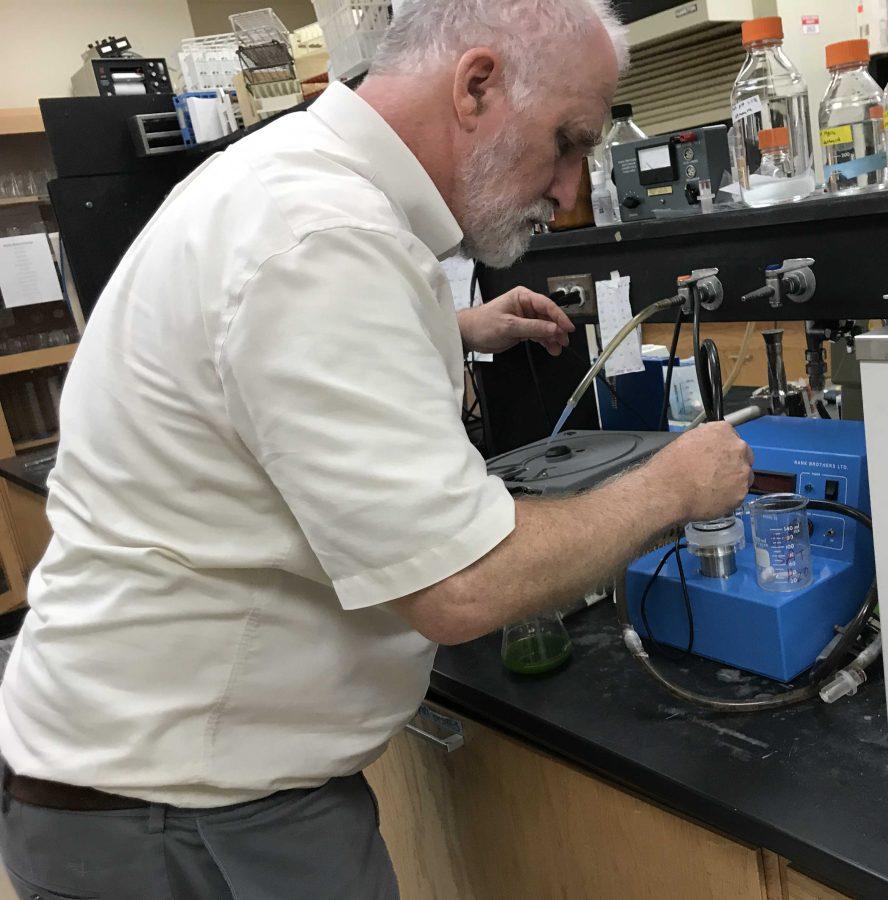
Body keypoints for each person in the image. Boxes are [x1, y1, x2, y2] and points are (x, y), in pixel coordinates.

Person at [0, 1, 753, 896]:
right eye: (566, 141)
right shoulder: (323, 238)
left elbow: (257, 356)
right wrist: (672, 485)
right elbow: (464, 584)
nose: (569, 188)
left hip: (154, 785)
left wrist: (449, 325)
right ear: (476, 85)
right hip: (188, 821)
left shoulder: (290, 180)